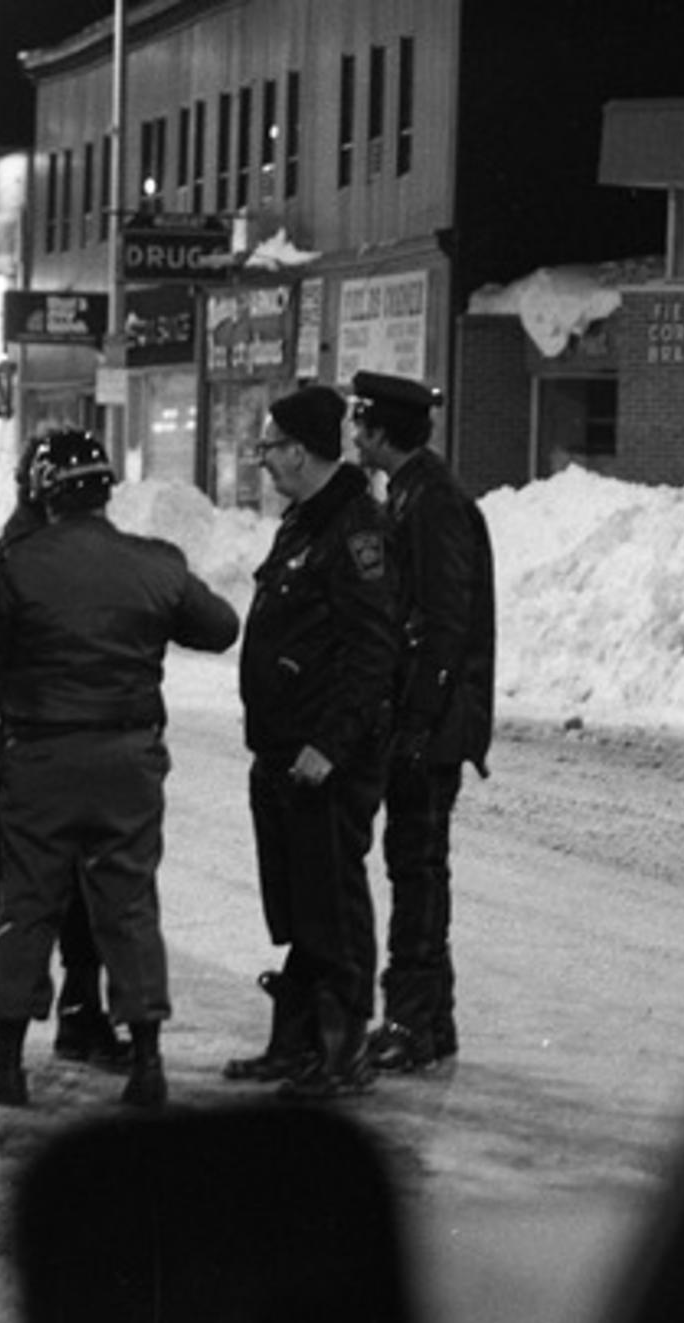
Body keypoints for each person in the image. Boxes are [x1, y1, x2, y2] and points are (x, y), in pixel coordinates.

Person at [0, 426, 238, 1111]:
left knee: (26, 900)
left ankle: (2, 1054)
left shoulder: (15, 564)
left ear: (41, 494)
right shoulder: (153, 563)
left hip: (40, 756)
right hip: (129, 758)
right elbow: (219, 627)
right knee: (127, 902)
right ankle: (145, 1058)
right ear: (106, 491)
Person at [224, 383, 400, 1100]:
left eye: (269, 447)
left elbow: (373, 652)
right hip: (285, 753)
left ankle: (340, 1048)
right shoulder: (306, 523)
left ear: (300, 450)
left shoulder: (356, 530)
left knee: (331, 901)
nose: (263, 459)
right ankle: (296, 1042)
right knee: (300, 902)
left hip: (324, 759)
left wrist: (330, 743)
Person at [0, 436, 131, 1071]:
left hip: (36, 748)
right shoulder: (8, 564)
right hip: (34, 748)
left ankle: (69, 1013)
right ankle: (10, 1016)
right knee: (25, 891)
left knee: (47, 890)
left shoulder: (23, 560)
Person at [349, 370, 496, 1071]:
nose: (353, 435)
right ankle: (430, 1021)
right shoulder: (412, 493)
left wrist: (417, 720)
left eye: (360, 424)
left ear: (381, 431)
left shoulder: (431, 504)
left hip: (430, 723)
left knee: (417, 870)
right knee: (418, 868)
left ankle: (412, 1022)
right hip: (427, 716)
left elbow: (443, 624)